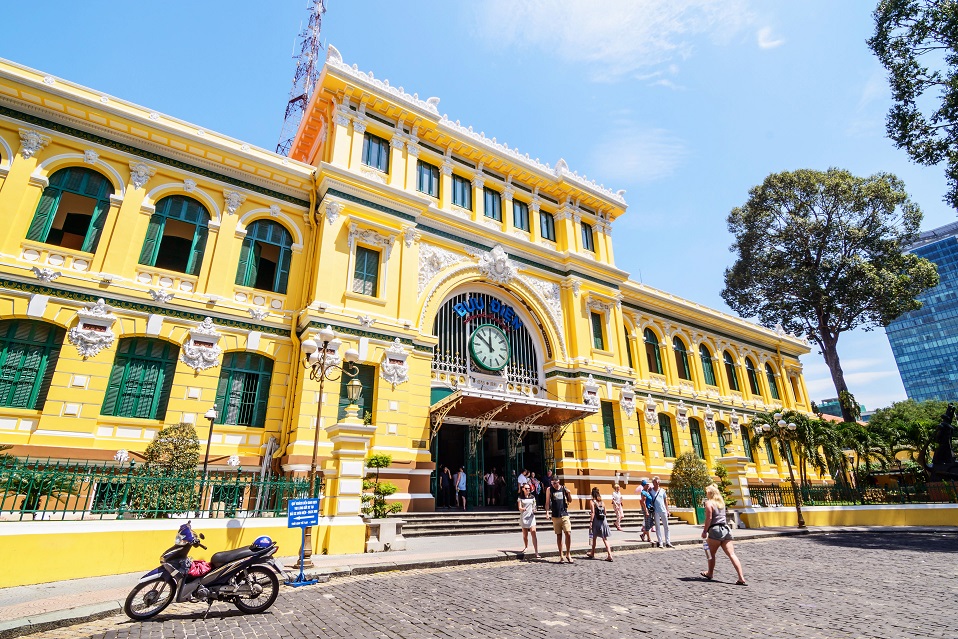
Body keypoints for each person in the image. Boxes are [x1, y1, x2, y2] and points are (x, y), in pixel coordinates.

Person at [699, 483, 746, 585]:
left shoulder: (709, 503)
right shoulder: (721, 503)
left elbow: (709, 518)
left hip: (715, 530)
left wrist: (704, 531)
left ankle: (710, 573)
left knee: (710, 554)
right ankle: (741, 577)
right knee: (732, 554)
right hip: (726, 529)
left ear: (709, 493)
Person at [546, 476, 573, 563]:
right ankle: (561, 555)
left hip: (564, 514)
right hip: (555, 515)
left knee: (568, 533)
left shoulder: (563, 488)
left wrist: (569, 493)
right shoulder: (549, 489)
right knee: (559, 536)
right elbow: (547, 502)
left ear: (559, 482)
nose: (554, 485)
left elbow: (570, 500)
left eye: (555, 483)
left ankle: (568, 554)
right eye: (552, 483)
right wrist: (547, 512)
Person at [586, 487, 613, 561]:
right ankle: (609, 555)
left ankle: (592, 553)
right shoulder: (602, 502)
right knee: (605, 538)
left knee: (594, 538)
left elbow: (592, 513)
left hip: (596, 521)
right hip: (603, 521)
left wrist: (591, 521)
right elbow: (605, 513)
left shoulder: (592, 502)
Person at [517, 482, 541, 558]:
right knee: (525, 535)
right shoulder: (520, 498)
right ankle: (526, 546)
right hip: (524, 516)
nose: (528, 489)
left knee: (533, 533)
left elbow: (534, 506)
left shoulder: (532, 497)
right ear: (523, 489)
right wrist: (522, 509)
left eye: (529, 488)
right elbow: (519, 507)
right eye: (526, 488)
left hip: (531, 516)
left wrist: (535, 510)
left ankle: (536, 551)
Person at [648, 476, 673, 548]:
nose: (655, 483)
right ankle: (660, 542)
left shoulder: (662, 491)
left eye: (656, 482)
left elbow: (665, 501)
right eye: (654, 482)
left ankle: (668, 542)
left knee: (666, 527)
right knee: (657, 527)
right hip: (656, 511)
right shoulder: (651, 491)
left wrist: (667, 510)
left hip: (663, 510)